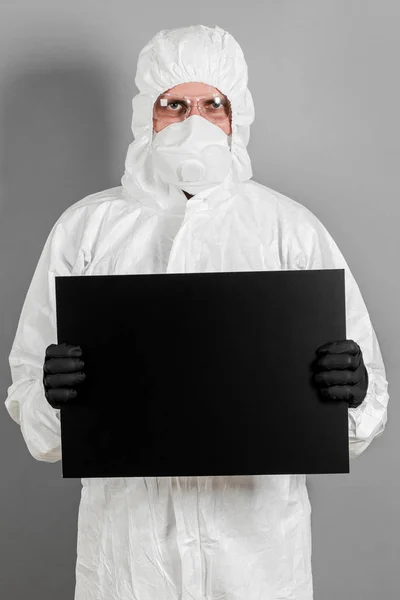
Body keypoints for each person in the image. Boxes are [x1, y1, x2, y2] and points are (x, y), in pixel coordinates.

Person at [5, 25, 389, 600]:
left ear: (238, 117)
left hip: (258, 561)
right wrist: (49, 394)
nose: (194, 122)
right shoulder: (87, 231)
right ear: (146, 116)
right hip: (131, 560)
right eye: (174, 105)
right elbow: (30, 399)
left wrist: (352, 392)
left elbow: (368, 399)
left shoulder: (289, 230)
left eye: (214, 104)